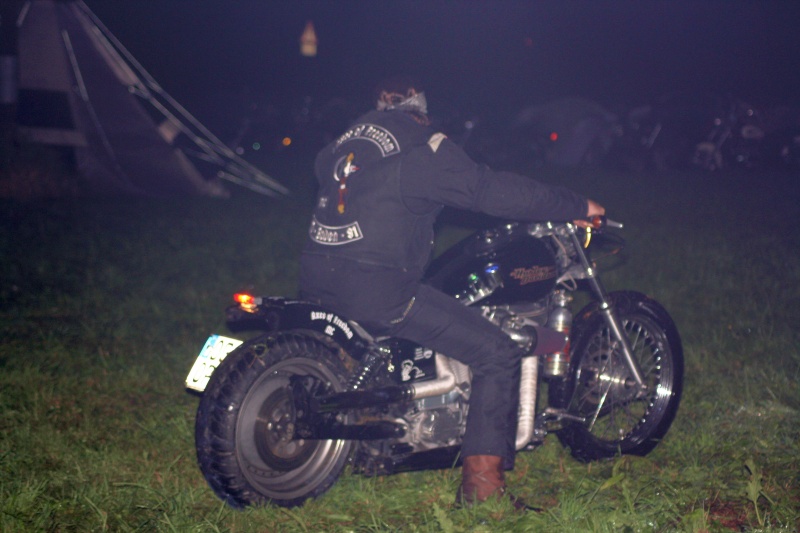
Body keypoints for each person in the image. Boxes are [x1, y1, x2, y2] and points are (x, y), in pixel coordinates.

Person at [298, 76, 605, 511]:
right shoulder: (422, 145)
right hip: (376, 286)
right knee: (496, 352)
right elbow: (489, 190)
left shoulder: (348, 139)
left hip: (316, 275)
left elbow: (320, 169)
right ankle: (483, 492)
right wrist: (575, 205)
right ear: (421, 113)